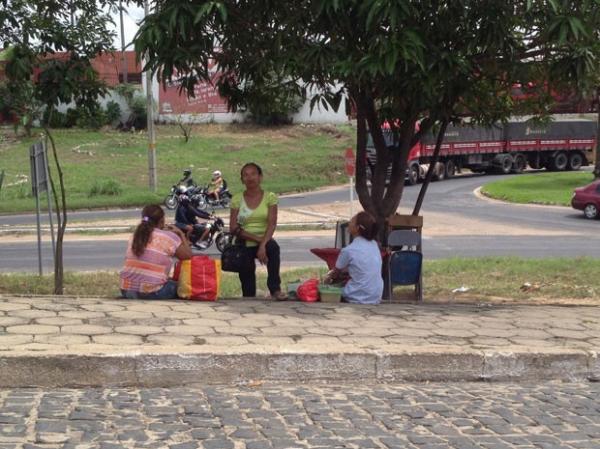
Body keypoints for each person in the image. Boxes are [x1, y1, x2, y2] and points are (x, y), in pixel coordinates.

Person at [229, 162, 287, 300]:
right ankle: (249, 298)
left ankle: (275, 290)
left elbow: (272, 223)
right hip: (245, 240)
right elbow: (233, 227)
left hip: (265, 238)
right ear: (242, 179)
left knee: (273, 248)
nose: (250, 178)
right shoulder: (237, 199)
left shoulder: (270, 197)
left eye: (253, 174)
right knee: (247, 277)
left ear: (260, 177)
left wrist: (263, 245)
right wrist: (258, 240)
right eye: (246, 175)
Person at [120, 204, 192, 299]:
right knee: (180, 286)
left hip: (126, 290)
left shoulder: (135, 236)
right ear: (162, 220)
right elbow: (188, 255)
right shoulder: (169, 237)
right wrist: (180, 233)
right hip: (151, 292)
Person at [324, 211, 383, 304]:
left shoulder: (349, 250)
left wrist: (327, 278)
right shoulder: (374, 245)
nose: (349, 223)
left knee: (328, 292)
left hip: (356, 296)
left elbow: (335, 272)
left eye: (352, 221)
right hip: (376, 295)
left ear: (357, 228)